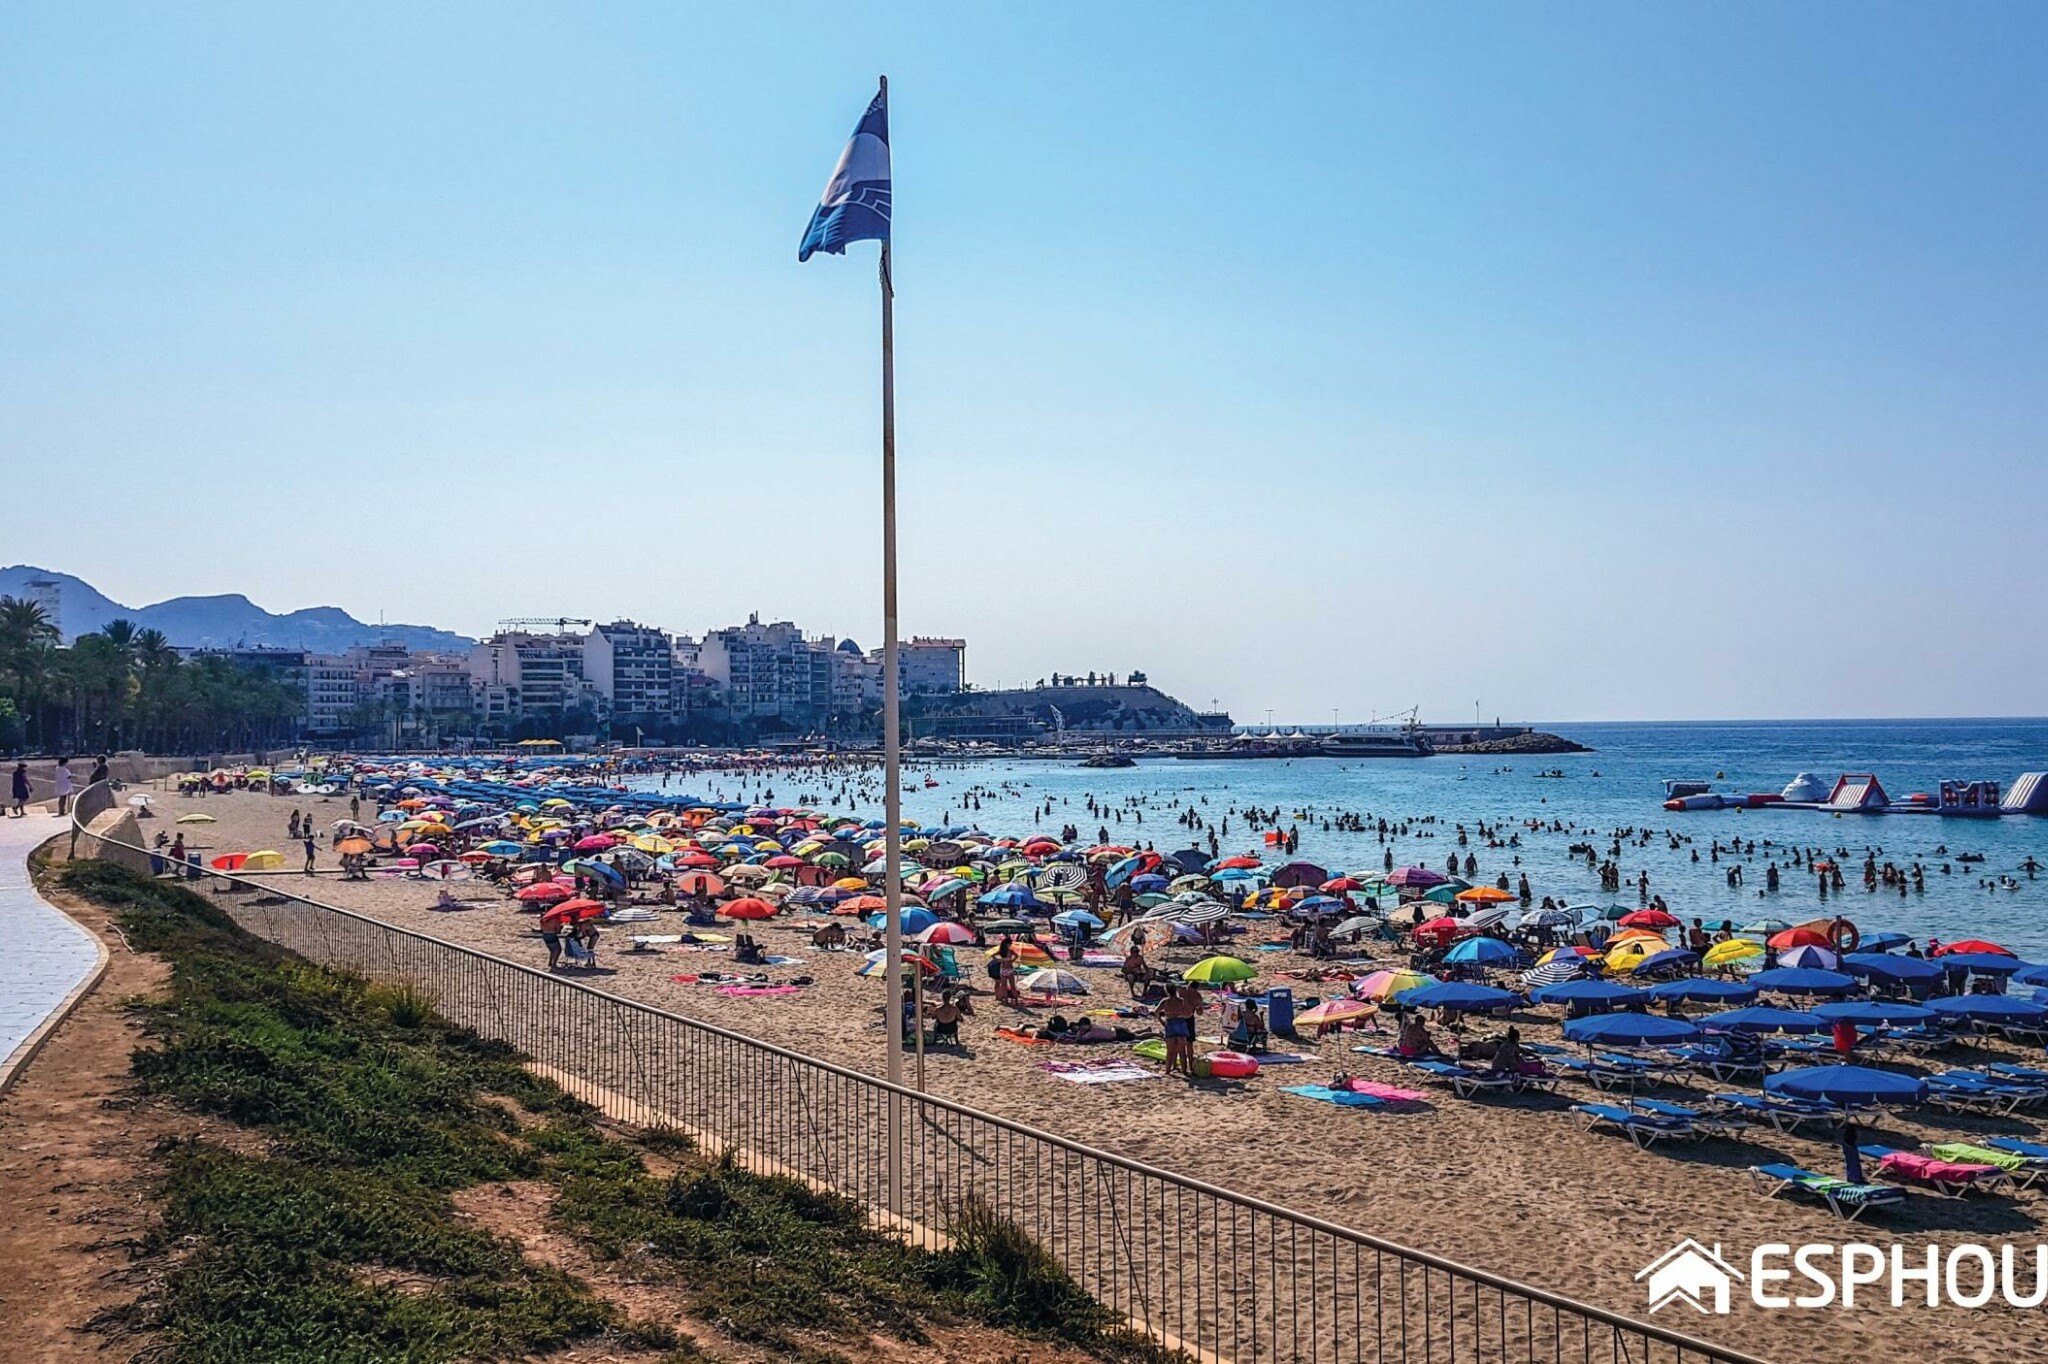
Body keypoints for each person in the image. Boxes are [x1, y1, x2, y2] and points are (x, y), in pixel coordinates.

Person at [1159, 986, 1199, 1076]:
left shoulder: (1165, 1001)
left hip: (1170, 1023)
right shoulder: (1181, 1001)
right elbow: (1188, 1013)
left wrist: (1162, 1022)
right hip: (1180, 1023)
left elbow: (1157, 1012)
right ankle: (1184, 1071)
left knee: (1170, 1051)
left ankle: (1167, 1071)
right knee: (1182, 1051)